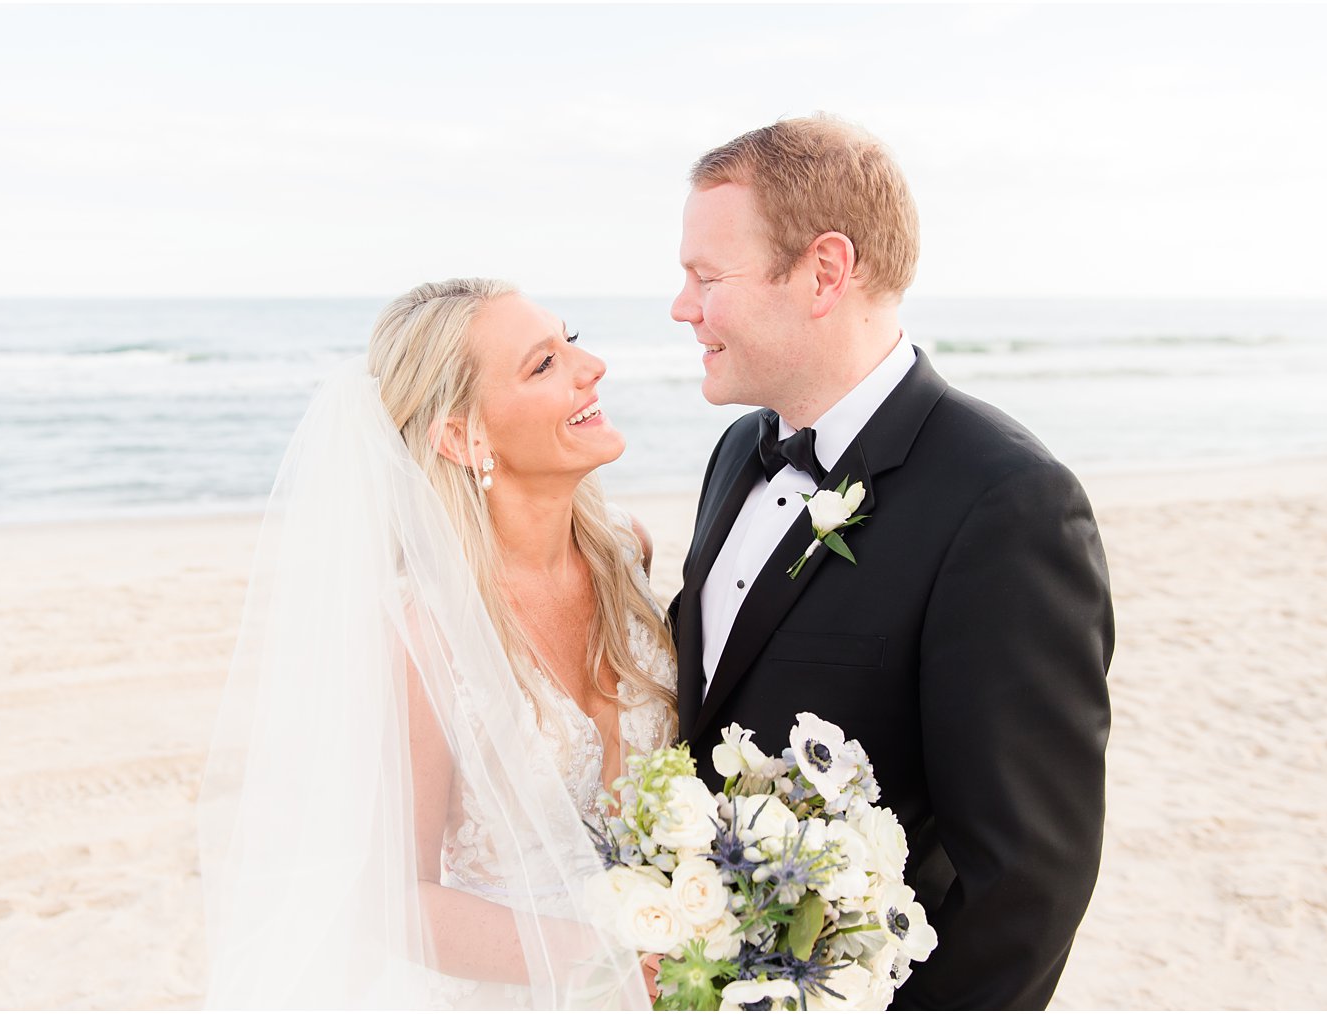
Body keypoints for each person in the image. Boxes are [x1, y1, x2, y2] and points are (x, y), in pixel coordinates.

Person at [668, 116, 1114, 1009]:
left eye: (706, 278)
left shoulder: (1008, 502)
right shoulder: (735, 452)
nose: (683, 308)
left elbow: (1028, 880)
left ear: (824, 273)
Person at [198, 278, 675, 1008]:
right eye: (543, 364)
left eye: (569, 342)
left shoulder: (627, 556)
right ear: (461, 436)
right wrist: (612, 954)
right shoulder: (426, 632)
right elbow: (396, 900)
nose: (591, 367)